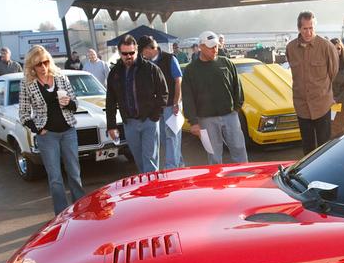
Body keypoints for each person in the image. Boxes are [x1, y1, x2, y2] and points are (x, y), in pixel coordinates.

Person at [18, 46, 86, 214]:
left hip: (68, 131)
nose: (43, 66)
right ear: (32, 66)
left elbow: (75, 104)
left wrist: (68, 103)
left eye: (46, 62)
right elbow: (23, 114)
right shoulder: (27, 84)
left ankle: (80, 210)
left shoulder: (61, 77)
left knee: (74, 173)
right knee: (55, 178)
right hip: (47, 136)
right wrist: (37, 129)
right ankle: (61, 214)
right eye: (38, 64)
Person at [105, 34, 168, 173]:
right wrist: (111, 125)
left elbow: (163, 93)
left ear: (137, 50)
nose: (128, 56)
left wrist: (155, 115)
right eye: (125, 54)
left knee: (150, 160)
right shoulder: (115, 73)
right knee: (138, 160)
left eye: (131, 53)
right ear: (119, 53)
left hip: (149, 122)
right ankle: (145, 184)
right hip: (130, 123)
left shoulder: (151, 69)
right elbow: (110, 100)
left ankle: (152, 185)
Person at [183, 31, 248, 164]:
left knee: (239, 149)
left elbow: (237, 86)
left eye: (216, 46)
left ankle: (244, 174)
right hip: (206, 119)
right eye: (211, 47)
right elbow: (188, 97)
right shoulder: (191, 70)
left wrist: (236, 108)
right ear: (201, 47)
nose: (215, 49)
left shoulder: (227, 63)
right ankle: (217, 177)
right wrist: (193, 122)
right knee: (214, 154)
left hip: (230, 115)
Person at [286, 11, 338, 153]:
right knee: (307, 148)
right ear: (299, 28)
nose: (308, 32)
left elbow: (333, 72)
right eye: (305, 29)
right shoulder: (290, 48)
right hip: (302, 106)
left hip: (322, 105)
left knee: (324, 147)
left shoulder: (326, 46)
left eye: (311, 28)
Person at [138, 36, 185, 170]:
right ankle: (180, 164)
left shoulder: (170, 59)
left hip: (171, 104)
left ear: (149, 48)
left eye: (143, 51)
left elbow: (178, 81)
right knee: (164, 138)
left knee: (172, 136)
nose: (142, 55)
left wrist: (176, 102)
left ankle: (171, 168)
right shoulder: (145, 63)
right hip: (157, 107)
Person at [330, 37, 344, 135]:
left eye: (338, 48)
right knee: (326, 128)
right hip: (324, 102)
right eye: (333, 48)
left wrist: (337, 99)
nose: (336, 51)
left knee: (337, 128)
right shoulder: (324, 65)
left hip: (338, 102)